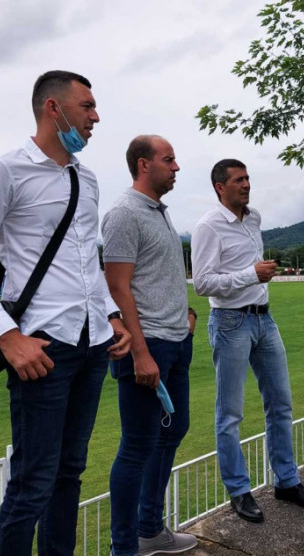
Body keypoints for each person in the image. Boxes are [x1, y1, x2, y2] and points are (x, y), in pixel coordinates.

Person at [0, 70, 131, 555]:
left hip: (92, 345)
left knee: (70, 472)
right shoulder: (2, 171)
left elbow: (86, 261)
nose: (96, 117)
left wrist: (112, 316)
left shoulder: (85, 178)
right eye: (87, 106)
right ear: (54, 108)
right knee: (33, 481)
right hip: (42, 348)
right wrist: (8, 336)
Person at [191, 159, 304, 524]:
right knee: (230, 414)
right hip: (230, 323)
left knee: (281, 404)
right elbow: (202, 283)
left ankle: (287, 482)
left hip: (265, 319)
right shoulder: (208, 226)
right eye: (238, 180)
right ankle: (239, 491)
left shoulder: (254, 219)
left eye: (248, 178)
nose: (246, 184)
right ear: (220, 187)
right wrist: (251, 274)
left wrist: (254, 277)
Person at [101, 135, 197, 556]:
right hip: (148, 345)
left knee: (173, 430)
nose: (176, 167)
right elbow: (117, 287)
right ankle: (125, 546)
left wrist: (187, 314)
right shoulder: (124, 213)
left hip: (176, 341)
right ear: (144, 164)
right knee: (137, 446)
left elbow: (160, 275)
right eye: (168, 159)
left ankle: (150, 529)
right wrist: (139, 352)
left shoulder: (159, 212)